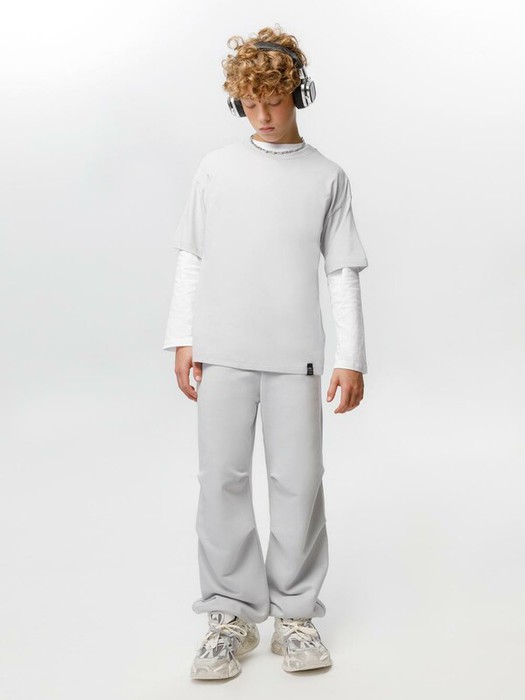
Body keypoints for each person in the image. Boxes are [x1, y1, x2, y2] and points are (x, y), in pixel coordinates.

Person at [163, 25, 369, 680]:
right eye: (249, 103)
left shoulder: (327, 177)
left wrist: (351, 357)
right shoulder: (215, 169)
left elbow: (342, 271)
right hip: (221, 349)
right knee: (220, 480)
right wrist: (181, 334)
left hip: (295, 356)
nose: (261, 115)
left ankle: (295, 615)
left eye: (272, 101)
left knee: (298, 483)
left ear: (297, 94)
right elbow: (192, 255)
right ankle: (229, 615)